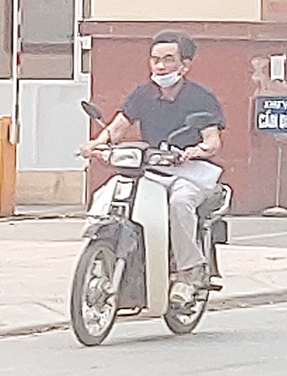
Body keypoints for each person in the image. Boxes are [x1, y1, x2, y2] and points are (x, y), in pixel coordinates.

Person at [80, 30, 226, 304]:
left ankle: (188, 272)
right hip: (151, 170)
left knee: (180, 204)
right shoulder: (142, 94)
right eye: (155, 59)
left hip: (190, 173)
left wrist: (195, 151)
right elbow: (118, 127)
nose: (160, 66)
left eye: (169, 60)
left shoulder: (201, 97)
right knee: (112, 193)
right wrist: (97, 145)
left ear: (185, 65)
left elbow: (212, 141)